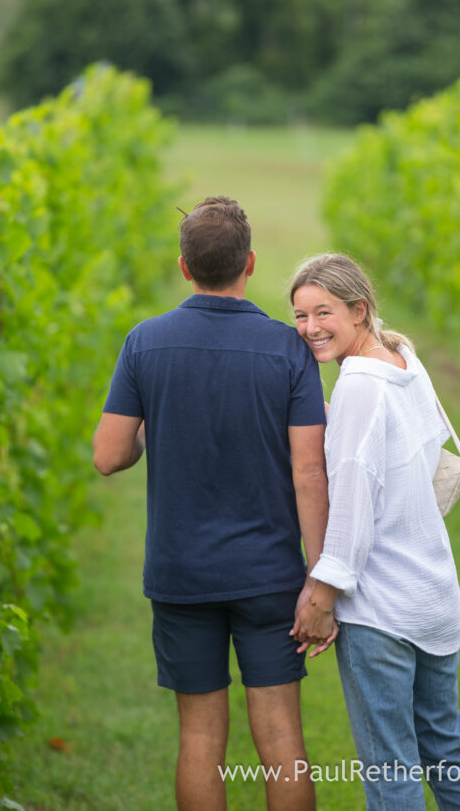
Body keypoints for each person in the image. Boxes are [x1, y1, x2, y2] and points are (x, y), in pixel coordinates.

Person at [93, 196, 329, 811]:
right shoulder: (288, 350)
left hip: (182, 574)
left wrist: (159, 422)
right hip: (270, 573)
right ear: (249, 263)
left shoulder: (144, 343)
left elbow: (108, 455)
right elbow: (309, 470)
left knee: (199, 738)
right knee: (282, 738)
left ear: (184, 267)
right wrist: (319, 577)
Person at [289, 253, 460, 811]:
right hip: (432, 594)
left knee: (392, 774)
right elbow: (397, 451)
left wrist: (322, 597)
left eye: (324, 312)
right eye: (301, 315)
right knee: (449, 752)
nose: (310, 328)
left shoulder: (359, 386)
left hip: (382, 610)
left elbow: (353, 505)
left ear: (359, 310)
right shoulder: (403, 358)